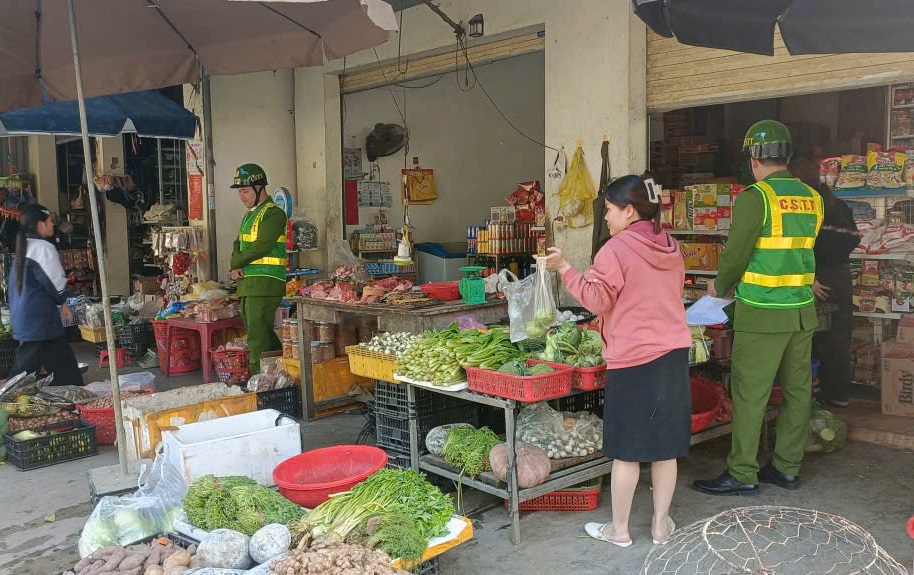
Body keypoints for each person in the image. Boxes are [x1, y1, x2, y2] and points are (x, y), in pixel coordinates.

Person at [544, 174, 691, 547]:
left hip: (633, 359)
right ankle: (660, 527)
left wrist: (564, 268)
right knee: (664, 446)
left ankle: (620, 531)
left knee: (627, 450)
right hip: (672, 354)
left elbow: (597, 301)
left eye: (609, 209)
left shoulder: (616, 249)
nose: (606, 217)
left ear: (629, 211)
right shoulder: (671, 245)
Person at [694, 120, 823, 496]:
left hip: (763, 311)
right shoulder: (811, 198)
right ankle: (786, 468)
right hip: (801, 310)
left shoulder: (756, 197)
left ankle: (742, 471)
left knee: (751, 394)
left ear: (754, 157)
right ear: (788, 155)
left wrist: (719, 286)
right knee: (799, 392)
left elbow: (737, 253)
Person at [790, 157, 859, 408]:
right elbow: (853, 238)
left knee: (812, 339)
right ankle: (837, 393)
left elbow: (797, 248)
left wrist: (811, 276)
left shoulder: (805, 208)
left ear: (798, 181)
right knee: (839, 336)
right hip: (840, 276)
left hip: (818, 279)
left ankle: (813, 394)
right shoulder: (838, 204)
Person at [8, 204, 84, 386]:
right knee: (24, 371)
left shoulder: (24, 246)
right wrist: (64, 301)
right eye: (49, 221)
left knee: (62, 362)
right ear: (39, 225)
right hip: (38, 320)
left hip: (27, 317)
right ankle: (6, 402)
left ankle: (74, 395)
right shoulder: (43, 248)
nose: (52, 225)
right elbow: (55, 281)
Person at [229, 163, 287, 375]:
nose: (242, 196)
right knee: (260, 332)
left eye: (245, 191)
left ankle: (257, 381)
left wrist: (235, 264)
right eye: (240, 192)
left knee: (256, 335)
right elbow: (238, 243)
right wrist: (234, 266)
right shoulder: (250, 215)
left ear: (260, 188)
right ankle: (280, 372)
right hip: (249, 282)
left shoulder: (274, 214)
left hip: (266, 281)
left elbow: (262, 245)